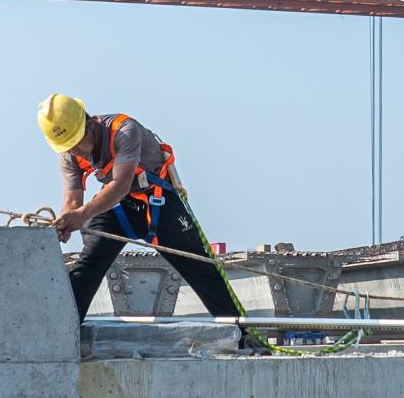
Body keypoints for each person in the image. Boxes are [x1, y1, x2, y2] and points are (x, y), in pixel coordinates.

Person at [37, 93, 269, 354]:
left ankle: (245, 336)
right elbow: (72, 201)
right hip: (117, 209)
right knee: (89, 263)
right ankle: (62, 336)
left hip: (158, 201)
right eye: (67, 146)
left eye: (76, 143)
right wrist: (66, 221)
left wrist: (81, 215)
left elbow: (120, 185)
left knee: (200, 267)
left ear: (88, 124)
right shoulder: (68, 154)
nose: (74, 150)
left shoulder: (125, 131)